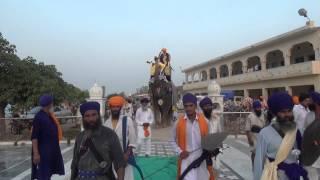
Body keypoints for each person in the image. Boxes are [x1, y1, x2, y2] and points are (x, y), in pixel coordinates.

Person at [254, 92, 308, 180]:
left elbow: (302, 156)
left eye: (289, 111)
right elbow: (258, 163)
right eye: (283, 112)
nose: (287, 115)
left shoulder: (295, 131)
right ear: (275, 113)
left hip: (294, 175)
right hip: (275, 175)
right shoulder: (265, 133)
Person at [71, 102, 125, 180]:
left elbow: (119, 163)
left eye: (94, 115)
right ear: (83, 118)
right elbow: (74, 164)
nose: (91, 119)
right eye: (87, 116)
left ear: (98, 115)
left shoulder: (110, 135)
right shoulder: (80, 137)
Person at [172, 93, 214, 180]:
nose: (188, 108)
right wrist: (180, 152)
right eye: (186, 106)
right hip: (186, 161)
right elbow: (171, 140)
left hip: (201, 160)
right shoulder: (178, 123)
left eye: (191, 105)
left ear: (195, 106)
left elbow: (209, 140)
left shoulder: (205, 121)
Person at [31, 94, 65, 180]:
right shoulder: (39, 117)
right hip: (43, 152)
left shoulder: (49, 116)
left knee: (48, 173)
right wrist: (36, 154)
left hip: (51, 150)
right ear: (49, 104)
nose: (52, 104)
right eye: (52, 102)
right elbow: (34, 136)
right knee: (44, 175)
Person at [104, 96, 137, 180]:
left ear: (120, 107)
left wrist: (126, 154)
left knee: (126, 177)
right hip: (111, 159)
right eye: (113, 107)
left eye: (117, 106)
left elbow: (132, 140)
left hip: (124, 157)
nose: (115, 109)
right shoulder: (106, 123)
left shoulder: (127, 120)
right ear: (110, 108)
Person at [199, 97, 222, 176]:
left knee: (212, 172)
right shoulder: (199, 120)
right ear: (202, 108)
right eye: (205, 106)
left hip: (213, 152)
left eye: (209, 106)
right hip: (201, 152)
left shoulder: (216, 119)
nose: (208, 108)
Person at [302, 91, 320, 180]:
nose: (308, 103)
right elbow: (305, 130)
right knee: (313, 175)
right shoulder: (308, 115)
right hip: (311, 152)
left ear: (316, 102)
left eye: (310, 100)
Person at [245, 100, 266, 168]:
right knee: (255, 153)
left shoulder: (263, 115)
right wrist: (249, 139)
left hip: (263, 137)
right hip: (254, 137)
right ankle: (255, 167)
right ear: (254, 108)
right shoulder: (250, 116)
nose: (258, 109)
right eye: (257, 108)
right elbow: (247, 130)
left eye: (259, 107)